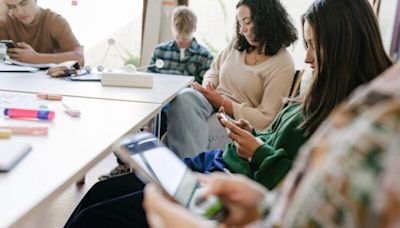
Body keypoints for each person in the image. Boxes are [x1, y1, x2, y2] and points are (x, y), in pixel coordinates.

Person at [64, 0, 392, 226]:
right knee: (100, 192)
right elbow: (269, 132)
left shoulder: (355, 122)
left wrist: (258, 148)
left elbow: (295, 184)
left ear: (342, 47)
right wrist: (252, 134)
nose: (307, 58)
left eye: (313, 45)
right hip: (223, 163)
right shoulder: (322, 92)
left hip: (232, 176)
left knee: (95, 217)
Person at [165, 0, 298, 158]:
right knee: (184, 97)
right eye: (239, 22)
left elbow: (265, 120)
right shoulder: (237, 44)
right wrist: (210, 84)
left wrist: (223, 103)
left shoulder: (282, 63)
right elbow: (214, 70)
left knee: (170, 138)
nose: (242, 30)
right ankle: (192, 172)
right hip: (211, 101)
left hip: (237, 120)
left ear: (266, 19)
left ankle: (190, 175)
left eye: (247, 22)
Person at [0, 0, 84, 65]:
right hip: (15, 82)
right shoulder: (5, 22)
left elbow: (79, 58)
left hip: (51, 82)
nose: (20, 12)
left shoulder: (54, 21)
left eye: (24, 3)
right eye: (12, 6)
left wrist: (36, 58)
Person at [147, 6, 213, 84]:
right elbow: (149, 80)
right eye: (177, 36)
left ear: (194, 29)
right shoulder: (159, 51)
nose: (181, 40)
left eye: (185, 37)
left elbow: (205, 88)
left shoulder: (205, 56)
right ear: (172, 28)